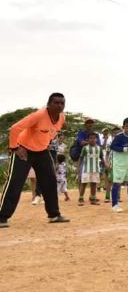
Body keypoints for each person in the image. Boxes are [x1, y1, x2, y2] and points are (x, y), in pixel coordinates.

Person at [0, 93, 70, 227]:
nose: (59, 105)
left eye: (62, 103)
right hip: (24, 150)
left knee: (49, 181)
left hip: (42, 151)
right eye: (56, 103)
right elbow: (15, 128)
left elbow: (52, 131)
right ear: (49, 104)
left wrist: (46, 142)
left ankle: (54, 215)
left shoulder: (61, 117)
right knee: (15, 182)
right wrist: (15, 148)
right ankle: (2, 217)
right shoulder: (38, 115)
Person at [79, 133, 102, 205]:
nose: (93, 139)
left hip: (96, 169)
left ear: (96, 139)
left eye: (94, 138)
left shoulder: (99, 148)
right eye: (91, 138)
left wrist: (106, 164)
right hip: (86, 169)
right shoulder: (85, 148)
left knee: (94, 183)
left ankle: (93, 197)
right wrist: (78, 167)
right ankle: (81, 197)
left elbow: (102, 157)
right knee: (84, 183)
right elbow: (81, 158)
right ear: (88, 140)